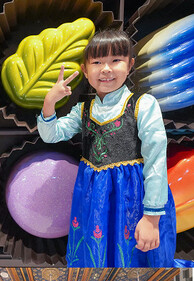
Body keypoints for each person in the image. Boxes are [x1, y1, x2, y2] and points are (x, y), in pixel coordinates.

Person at [38, 29, 176, 267]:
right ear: (85, 69)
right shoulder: (83, 110)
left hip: (133, 199)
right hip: (93, 198)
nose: (106, 69)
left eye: (116, 60)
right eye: (97, 62)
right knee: (95, 261)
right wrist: (50, 102)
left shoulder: (143, 105)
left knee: (134, 262)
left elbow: (156, 161)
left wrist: (152, 219)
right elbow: (51, 135)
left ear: (130, 64)